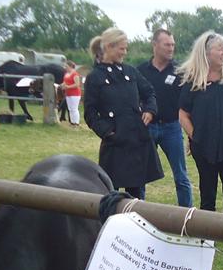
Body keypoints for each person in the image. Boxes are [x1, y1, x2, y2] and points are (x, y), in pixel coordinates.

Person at [83, 27, 164, 199]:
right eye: (122, 48)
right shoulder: (95, 77)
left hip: (136, 140)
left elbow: (149, 92)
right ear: (109, 47)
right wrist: (108, 131)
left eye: (126, 48)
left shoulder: (130, 72)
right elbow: (90, 113)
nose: (124, 52)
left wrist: (150, 110)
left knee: (137, 195)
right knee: (111, 192)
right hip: (115, 144)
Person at [178, 31, 223, 216]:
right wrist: (196, 136)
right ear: (207, 53)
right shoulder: (193, 80)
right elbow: (183, 114)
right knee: (207, 194)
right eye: (220, 49)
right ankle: (207, 237)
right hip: (205, 148)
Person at [138, 29, 193, 207]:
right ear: (155, 45)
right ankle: (135, 212)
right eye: (167, 44)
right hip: (147, 128)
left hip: (172, 128)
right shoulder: (141, 71)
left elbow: (188, 104)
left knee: (181, 176)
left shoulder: (180, 71)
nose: (171, 48)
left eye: (173, 45)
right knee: (139, 174)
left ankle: (186, 217)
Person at [62, 59, 82, 127]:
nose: (65, 68)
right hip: (68, 93)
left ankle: (76, 122)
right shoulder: (66, 74)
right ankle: (72, 122)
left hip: (75, 94)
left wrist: (68, 86)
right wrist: (62, 85)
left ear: (70, 66)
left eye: (66, 66)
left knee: (74, 108)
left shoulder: (75, 74)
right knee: (70, 108)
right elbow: (65, 82)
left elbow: (77, 84)